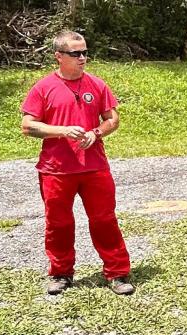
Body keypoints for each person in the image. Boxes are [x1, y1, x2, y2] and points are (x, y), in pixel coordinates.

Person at [21, 30, 134, 296]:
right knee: (58, 223)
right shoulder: (43, 88)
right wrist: (62, 131)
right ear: (58, 56)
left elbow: (112, 119)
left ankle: (117, 273)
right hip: (56, 169)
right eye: (76, 53)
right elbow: (27, 126)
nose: (82, 58)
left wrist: (95, 133)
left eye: (84, 52)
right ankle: (61, 273)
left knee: (104, 219)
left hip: (95, 167)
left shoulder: (96, 84)